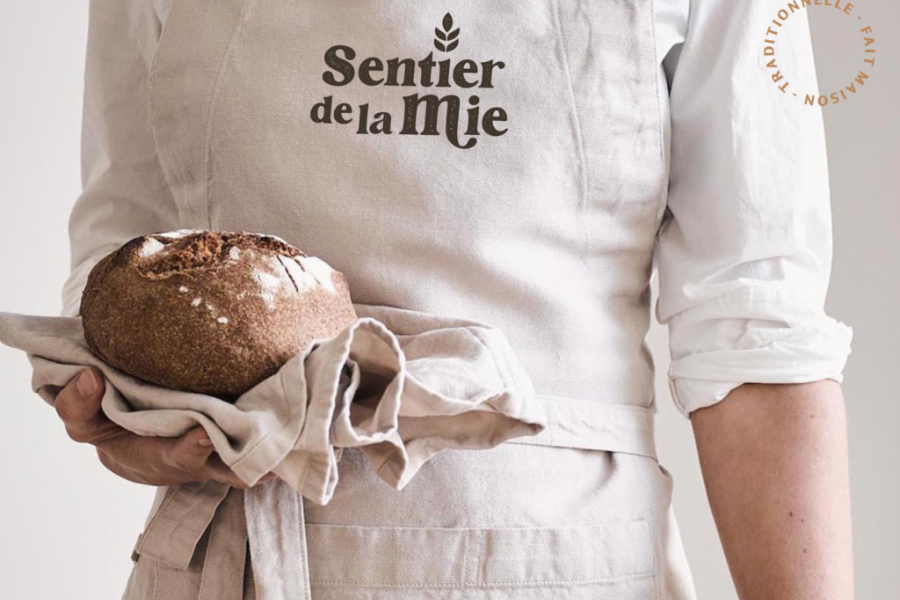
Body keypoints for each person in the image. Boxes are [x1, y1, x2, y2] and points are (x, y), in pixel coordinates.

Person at [51, 0, 855, 598]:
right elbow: (124, 258)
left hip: (563, 561)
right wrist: (136, 416)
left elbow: (755, 329)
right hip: (242, 557)